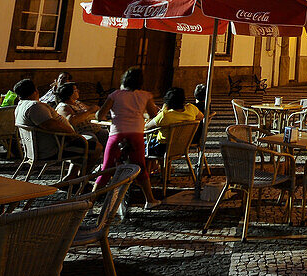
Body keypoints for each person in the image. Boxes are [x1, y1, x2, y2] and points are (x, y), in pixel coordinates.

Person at [94, 67, 161, 208]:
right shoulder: (146, 96)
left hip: (117, 134)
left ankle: (89, 203)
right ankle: (150, 200)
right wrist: (138, 113)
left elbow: (100, 115)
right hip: (136, 135)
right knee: (141, 167)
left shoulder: (115, 95)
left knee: (106, 169)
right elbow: (153, 114)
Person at [12, 78, 96, 179]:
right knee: (95, 147)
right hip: (53, 149)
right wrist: (73, 135)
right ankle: (81, 181)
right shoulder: (35, 107)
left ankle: (72, 176)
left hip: (44, 146)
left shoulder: (21, 106)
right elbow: (50, 125)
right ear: (35, 91)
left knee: (86, 142)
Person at [145, 87, 203, 159]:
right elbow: (201, 117)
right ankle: (161, 168)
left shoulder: (164, 116)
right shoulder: (191, 108)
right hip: (182, 146)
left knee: (143, 147)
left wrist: (156, 114)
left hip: (163, 148)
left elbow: (146, 127)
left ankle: (151, 169)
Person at [55, 82, 107, 147]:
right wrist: (89, 111)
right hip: (79, 133)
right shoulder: (63, 106)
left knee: (107, 134)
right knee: (92, 139)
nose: (78, 91)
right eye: (76, 90)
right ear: (69, 93)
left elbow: (92, 110)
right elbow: (71, 120)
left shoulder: (77, 103)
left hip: (95, 129)